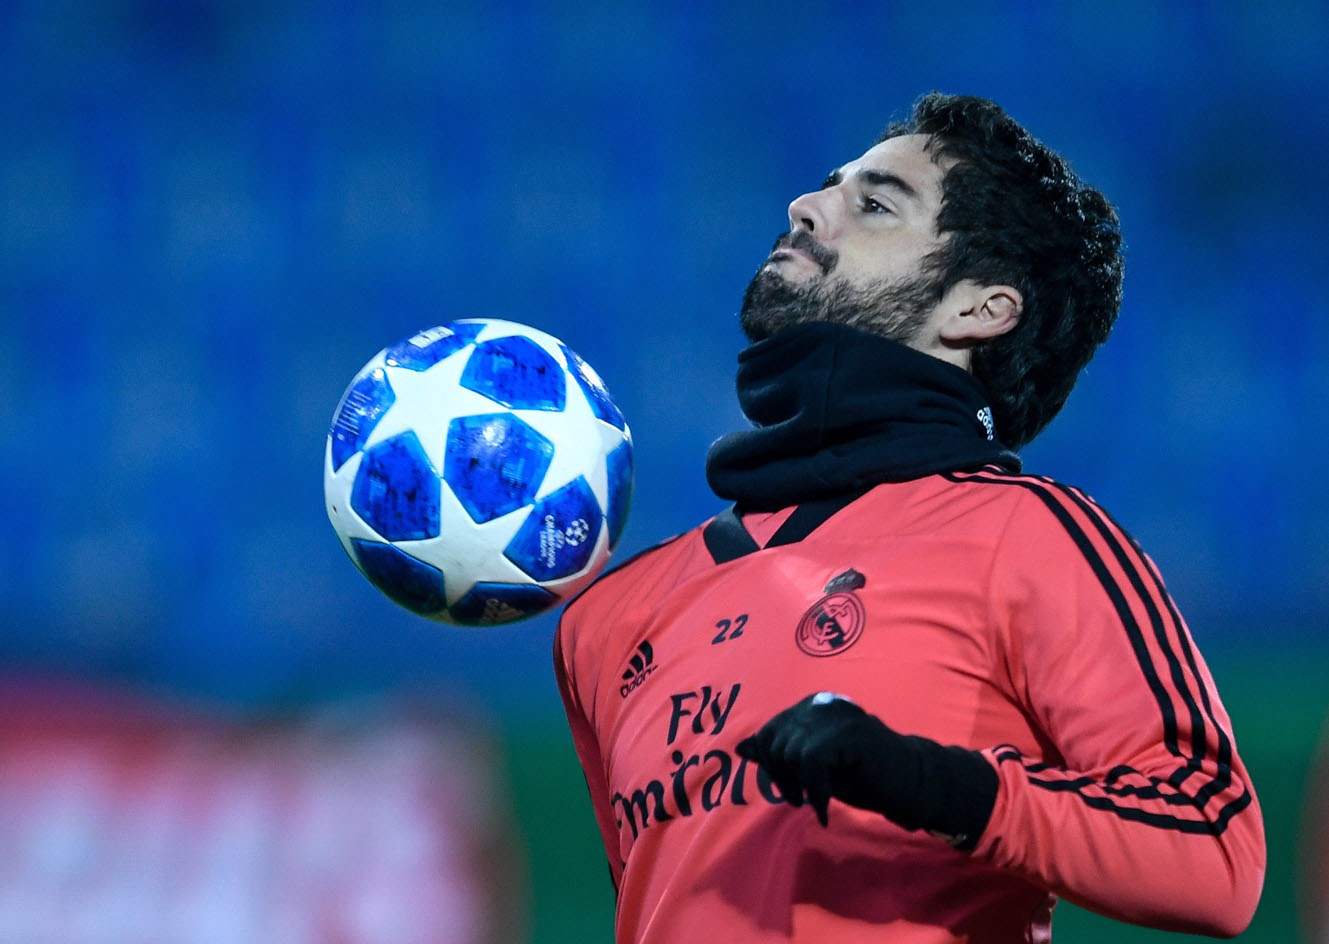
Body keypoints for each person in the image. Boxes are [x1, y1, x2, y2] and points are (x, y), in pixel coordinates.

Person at [553, 92, 1265, 943]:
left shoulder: (1030, 536)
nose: (806, 207)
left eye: (876, 204)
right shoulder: (604, 621)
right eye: (828, 187)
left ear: (979, 308)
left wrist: (927, 783)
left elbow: (1214, 854)